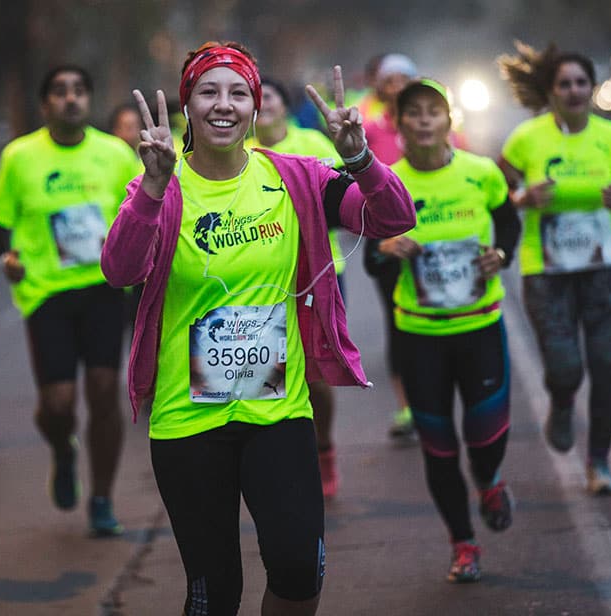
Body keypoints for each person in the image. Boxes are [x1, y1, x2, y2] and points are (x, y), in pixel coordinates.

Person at [102, 41, 414, 615]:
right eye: (209, 91)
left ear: (254, 107)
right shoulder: (161, 189)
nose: (224, 104)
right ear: (187, 104)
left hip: (278, 413)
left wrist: (363, 158)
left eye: (238, 92)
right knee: (214, 594)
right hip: (186, 420)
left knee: (299, 570)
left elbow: (394, 218)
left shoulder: (298, 178)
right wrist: (150, 188)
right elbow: (120, 270)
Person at [0, 65, 141, 535]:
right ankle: (62, 447)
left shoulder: (114, 154)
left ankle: (102, 498)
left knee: (102, 392)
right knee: (58, 403)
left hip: (103, 288)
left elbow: (144, 209)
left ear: (88, 100)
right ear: (44, 104)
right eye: (59, 91)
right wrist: (8, 257)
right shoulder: (20, 157)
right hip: (46, 292)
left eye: (78, 91)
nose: (70, 99)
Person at [497, 42, 611, 495]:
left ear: (592, 87)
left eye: (580, 83)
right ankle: (563, 400)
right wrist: (522, 198)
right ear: (549, 91)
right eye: (563, 84)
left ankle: (599, 462)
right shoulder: (527, 139)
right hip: (544, 272)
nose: (573, 91)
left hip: (604, 268)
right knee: (565, 367)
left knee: (606, 366)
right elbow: (493, 199)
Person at [379, 78, 521, 583]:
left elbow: (509, 225)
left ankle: (489, 479)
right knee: (438, 446)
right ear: (399, 124)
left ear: (448, 121)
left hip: (479, 326)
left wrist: (499, 254)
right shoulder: (388, 183)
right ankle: (463, 544)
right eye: (412, 112)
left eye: (432, 111)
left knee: (485, 437)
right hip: (419, 336)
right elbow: (373, 260)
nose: (422, 120)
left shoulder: (481, 173)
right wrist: (387, 250)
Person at [360, 53, 473, 442]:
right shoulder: (369, 126)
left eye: (403, 79)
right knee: (398, 320)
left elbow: (464, 168)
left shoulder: (440, 125)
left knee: (447, 311)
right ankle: (408, 404)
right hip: (390, 235)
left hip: (439, 232)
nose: (395, 86)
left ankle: (453, 394)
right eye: (388, 80)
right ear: (379, 86)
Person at [249, 76, 344, 499]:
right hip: (258, 277)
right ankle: (273, 468)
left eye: (269, 96)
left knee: (313, 377)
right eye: (255, 98)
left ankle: (323, 450)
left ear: (285, 106)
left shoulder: (315, 146)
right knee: (262, 375)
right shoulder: (234, 154)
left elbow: (346, 205)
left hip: (320, 273)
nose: (262, 103)